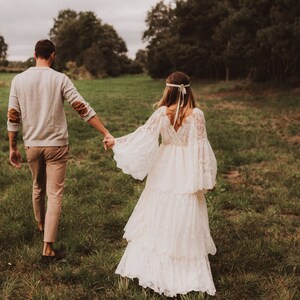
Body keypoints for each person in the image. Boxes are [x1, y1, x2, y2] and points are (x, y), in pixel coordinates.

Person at [104, 71, 217, 297]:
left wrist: (117, 141)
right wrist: (205, 178)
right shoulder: (197, 115)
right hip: (186, 167)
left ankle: (156, 262)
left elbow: (142, 136)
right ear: (188, 89)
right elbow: (201, 148)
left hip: (165, 164)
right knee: (184, 210)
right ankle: (181, 261)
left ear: (168, 89)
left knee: (158, 208)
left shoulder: (161, 114)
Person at [7, 39, 113, 262]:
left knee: (37, 185)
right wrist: (105, 132)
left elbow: (13, 115)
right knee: (54, 194)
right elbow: (81, 108)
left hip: (32, 145)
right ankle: (47, 248)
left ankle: (41, 224)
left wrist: (12, 147)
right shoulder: (60, 78)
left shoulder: (19, 80)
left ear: (35, 55)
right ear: (53, 55)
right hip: (56, 145)